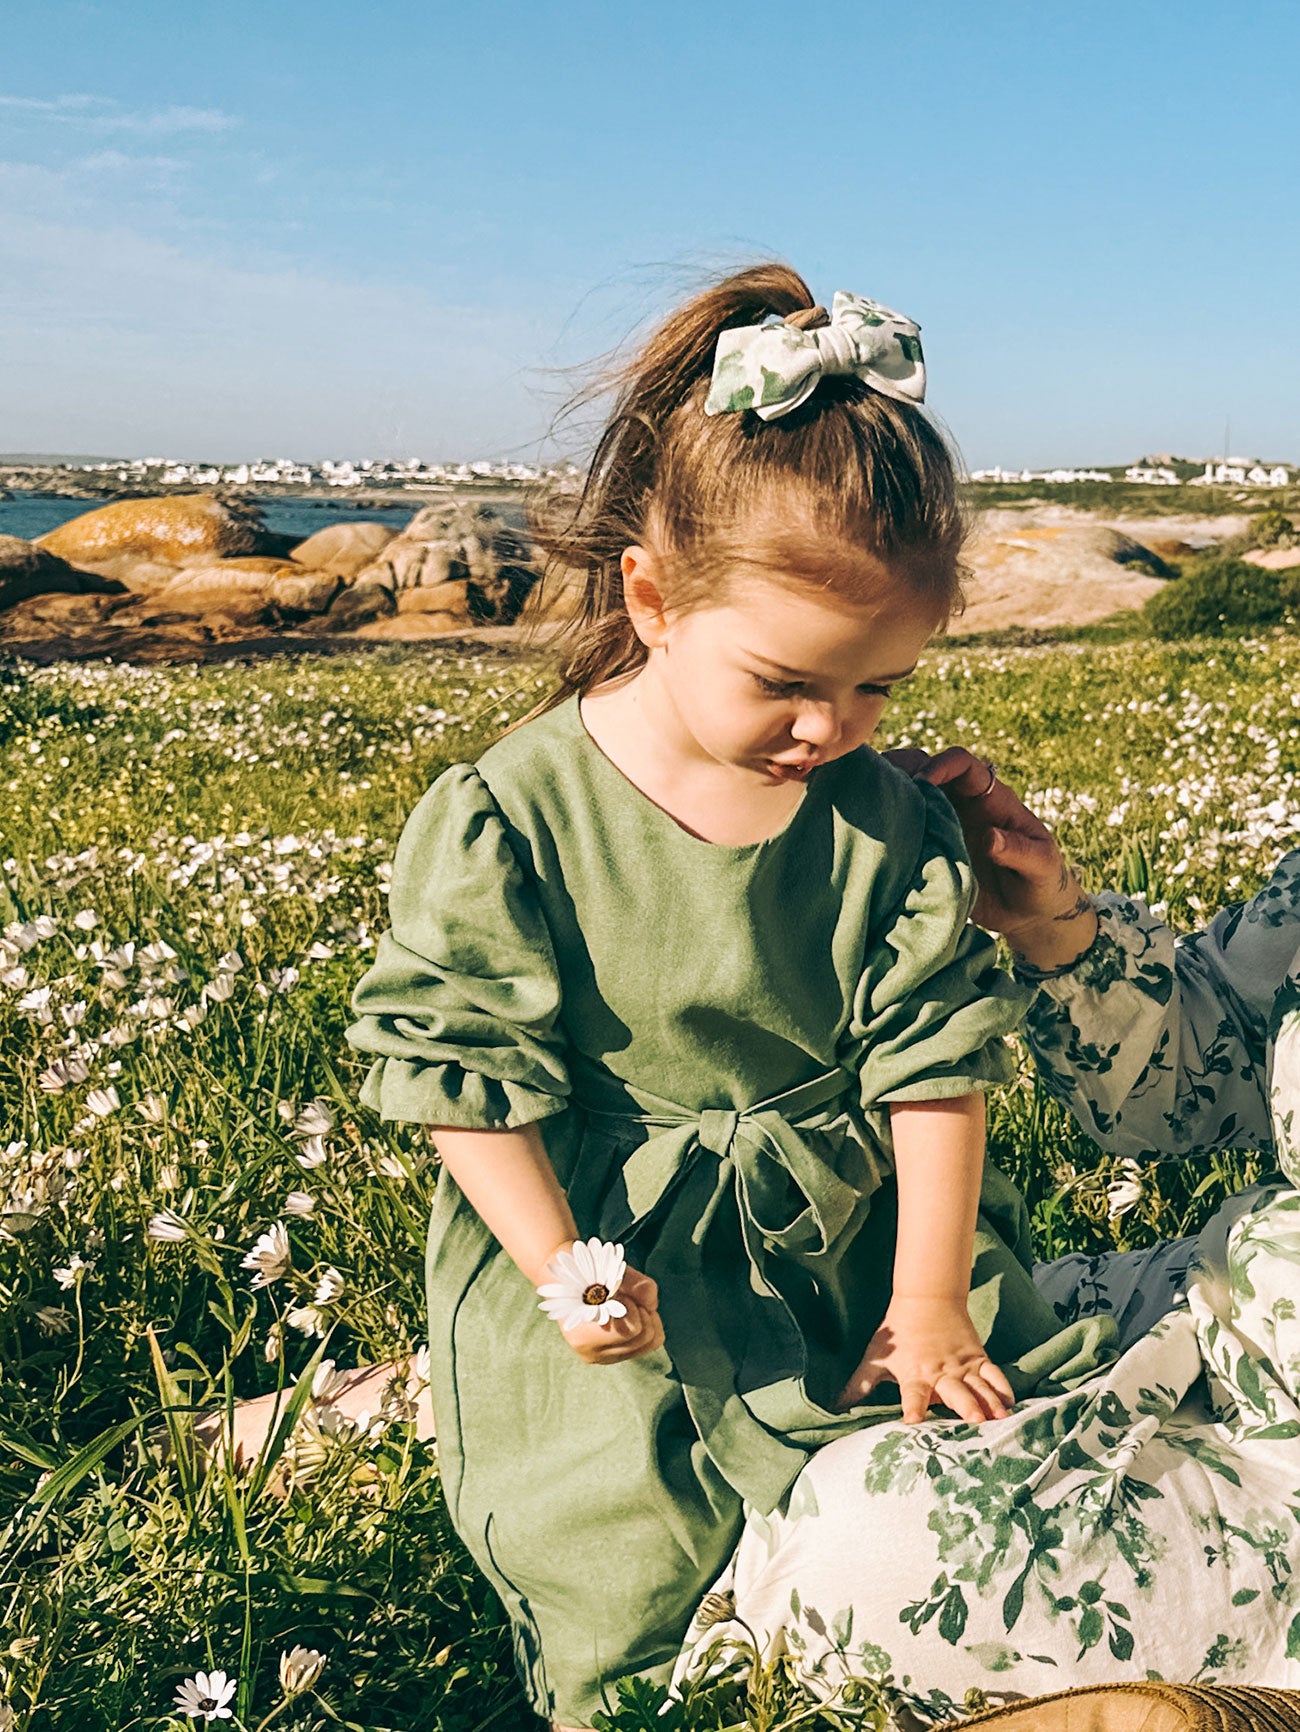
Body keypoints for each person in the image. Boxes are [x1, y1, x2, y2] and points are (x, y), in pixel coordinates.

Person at [342, 264, 1118, 1730]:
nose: (832, 730)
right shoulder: (517, 813)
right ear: (649, 596)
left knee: (940, 1491)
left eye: (881, 689)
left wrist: (932, 1293)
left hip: (855, 1245)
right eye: (788, 684)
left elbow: (936, 1060)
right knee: (616, 1550)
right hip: (614, 1256)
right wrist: (563, 1267)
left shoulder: (887, 823)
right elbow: (460, 1075)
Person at [671, 750, 1300, 1723]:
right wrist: (1053, 928)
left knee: (871, 1553)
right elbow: (1187, 1085)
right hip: (1210, 1314)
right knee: (793, 1367)